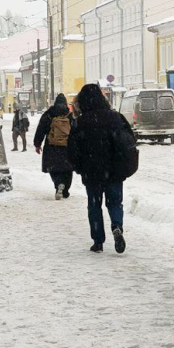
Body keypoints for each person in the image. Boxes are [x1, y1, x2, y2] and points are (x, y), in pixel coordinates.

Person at [68, 84, 133, 254]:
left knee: (94, 205)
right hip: (114, 170)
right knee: (115, 202)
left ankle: (98, 241)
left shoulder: (80, 122)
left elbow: (72, 148)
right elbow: (129, 140)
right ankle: (117, 226)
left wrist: (78, 167)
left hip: (91, 171)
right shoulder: (116, 118)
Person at [33, 94, 75, 200]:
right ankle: (65, 190)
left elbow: (41, 129)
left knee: (53, 168)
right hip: (67, 146)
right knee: (67, 169)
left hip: (52, 146)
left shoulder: (49, 114)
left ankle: (58, 184)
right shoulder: (70, 115)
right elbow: (76, 131)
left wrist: (37, 144)